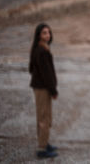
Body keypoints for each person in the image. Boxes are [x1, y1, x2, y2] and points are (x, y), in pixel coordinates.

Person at [29, 23, 58, 158]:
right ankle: (42, 149)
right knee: (44, 118)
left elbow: (31, 68)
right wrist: (53, 90)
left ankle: (44, 143)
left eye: (49, 32)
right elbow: (46, 73)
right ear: (39, 35)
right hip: (43, 89)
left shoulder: (39, 48)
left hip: (41, 87)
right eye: (44, 33)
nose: (48, 35)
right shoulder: (41, 51)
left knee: (44, 116)